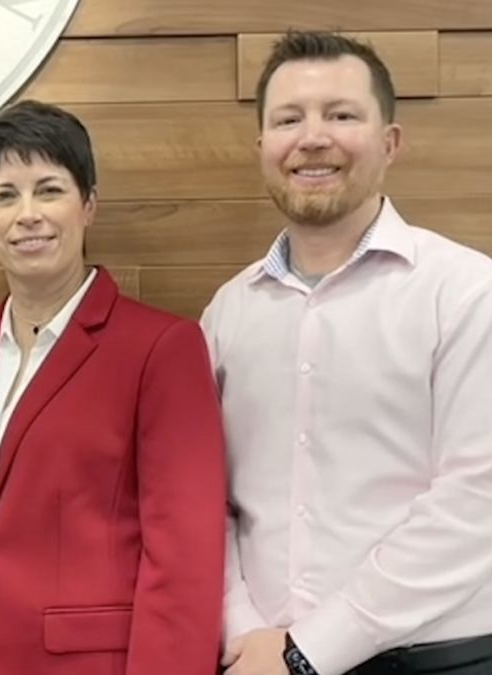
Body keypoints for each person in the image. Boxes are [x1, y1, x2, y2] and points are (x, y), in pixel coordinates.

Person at [204, 31, 492, 675]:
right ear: (262, 149)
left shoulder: (469, 293)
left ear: (389, 143)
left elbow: (478, 499)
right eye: (288, 119)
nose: (312, 137)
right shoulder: (228, 313)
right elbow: (206, 495)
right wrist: (246, 629)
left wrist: (311, 651)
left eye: (340, 115)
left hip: (436, 658)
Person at [0, 99, 226, 675]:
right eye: (4, 195)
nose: (27, 214)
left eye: (49, 190)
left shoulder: (161, 348)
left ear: (89, 205)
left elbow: (184, 560)